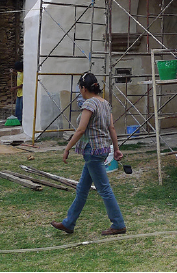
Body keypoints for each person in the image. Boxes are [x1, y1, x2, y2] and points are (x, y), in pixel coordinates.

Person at [51, 72, 126, 236]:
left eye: (80, 88)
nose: (80, 91)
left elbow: (81, 129)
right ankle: (68, 223)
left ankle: (118, 223)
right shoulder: (105, 103)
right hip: (102, 150)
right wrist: (116, 148)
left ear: (84, 88)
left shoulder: (89, 104)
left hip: (92, 151)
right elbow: (111, 128)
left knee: (104, 189)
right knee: (82, 189)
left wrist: (67, 148)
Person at [12, 61, 24, 126]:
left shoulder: (24, 73)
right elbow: (18, 75)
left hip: (23, 93)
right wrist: (13, 73)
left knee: (21, 107)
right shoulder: (19, 72)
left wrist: (15, 88)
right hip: (19, 93)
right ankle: (17, 120)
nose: (19, 71)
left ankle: (21, 120)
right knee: (17, 108)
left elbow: (23, 84)